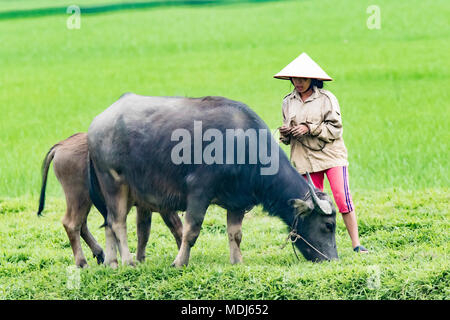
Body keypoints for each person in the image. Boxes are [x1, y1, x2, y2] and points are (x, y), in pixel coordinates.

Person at [274, 53, 368, 253]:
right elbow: (287, 138)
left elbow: (336, 129)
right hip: (304, 160)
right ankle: (316, 248)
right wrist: (286, 133)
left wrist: (309, 128)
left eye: (303, 79)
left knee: (342, 199)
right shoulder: (287, 101)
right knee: (312, 207)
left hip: (331, 156)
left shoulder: (327, 99)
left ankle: (357, 244)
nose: (298, 83)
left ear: (313, 79)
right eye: (295, 79)